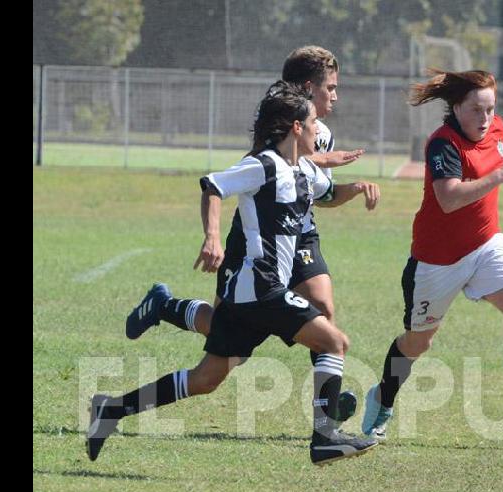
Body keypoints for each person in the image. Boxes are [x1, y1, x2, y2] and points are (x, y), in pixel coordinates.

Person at [87, 82, 378, 466]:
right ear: (295, 127)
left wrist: (356, 189)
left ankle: (111, 409)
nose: (317, 132)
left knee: (206, 380)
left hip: (251, 296)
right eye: (311, 125)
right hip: (260, 287)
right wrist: (212, 237)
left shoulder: (306, 170)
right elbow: (213, 186)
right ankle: (324, 438)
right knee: (333, 342)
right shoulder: (263, 165)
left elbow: (329, 194)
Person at [123, 46, 379, 384]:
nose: (335, 96)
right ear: (307, 88)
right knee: (223, 329)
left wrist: (354, 187)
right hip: (256, 237)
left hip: (300, 233)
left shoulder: (323, 135)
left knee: (324, 309)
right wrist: (212, 236)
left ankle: (328, 406)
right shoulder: (277, 127)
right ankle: (164, 305)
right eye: (330, 87)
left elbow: (322, 195)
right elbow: (264, 165)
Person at [357, 68, 503, 441]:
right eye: (476, 109)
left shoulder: (498, 130)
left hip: (487, 245)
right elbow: (449, 199)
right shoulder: (442, 144)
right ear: (456, 107)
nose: (485, 119)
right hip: (436, 260)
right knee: (418, 342)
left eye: (490, 109)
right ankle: (383, 398)